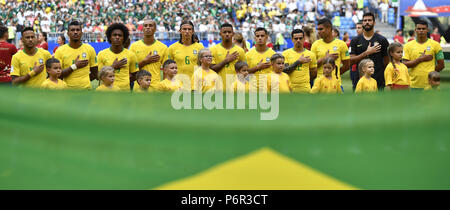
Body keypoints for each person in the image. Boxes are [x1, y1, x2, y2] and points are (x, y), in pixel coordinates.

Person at [349, 12, 389, 91]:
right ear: (362, 23)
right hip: (360, 79)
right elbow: (351, 61)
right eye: (365, 20)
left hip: (378, 80)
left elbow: (386, 61)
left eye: (369, 20)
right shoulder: (355, 40)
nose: (367, 22)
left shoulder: (382, 40)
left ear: (374, 23)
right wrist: (367, 53)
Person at [55, 21, 98, 90]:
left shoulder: (90, 49)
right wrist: (74, 66)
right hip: (67, 92)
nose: (75, 32)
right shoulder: (60, 51)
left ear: (82, 33)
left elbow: (94, 73)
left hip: (86, 91)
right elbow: (57, 75)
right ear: (68, 33)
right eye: (72, 30)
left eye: (78, 30)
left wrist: (84, 82)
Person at [403, 20, 445, 90]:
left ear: (427, 30)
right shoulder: (408, 45)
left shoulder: (436, 45)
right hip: (413, 85)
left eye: (423, 29)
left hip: (431, 86)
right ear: (415, 30)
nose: (421, 31)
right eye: (419, 29)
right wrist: (421, 59)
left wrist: (432, 74)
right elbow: (404, 64)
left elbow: (441, 65)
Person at [311, 18, 350, 91]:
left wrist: (336, 74)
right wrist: (325, 58)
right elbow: (312, 66)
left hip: (336, 84)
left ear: (329, 29)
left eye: (321, 29)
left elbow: (347, 65)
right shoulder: (315, 45)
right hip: (319, 85)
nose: (318, 32)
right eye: (318, 29)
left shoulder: (341, 44)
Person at [97, 23, 139, 91]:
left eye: (120, 35)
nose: (117, 37)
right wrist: (113, 67)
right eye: (114, 35)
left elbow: (135, 74)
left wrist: (125, 82)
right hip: (107, 92)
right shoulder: (102, 54)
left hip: (124, 92)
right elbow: (98, 75)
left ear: (124, 38)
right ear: (110, 37)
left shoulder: (131, 55)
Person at [129, 19, 168, 88]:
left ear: (155, 29)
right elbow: (130, 69)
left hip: (156, 88)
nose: (148, 27)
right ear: (142, 29)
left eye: (150, 26)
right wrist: (145, 61)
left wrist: (165, 86)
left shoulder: (163, 47)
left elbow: (166, 71)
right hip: (138, 89)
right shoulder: (134, 46)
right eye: (145, 26)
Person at [210, 23, 246, 90]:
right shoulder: (213, 49)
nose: (227, 34)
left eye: (229, 32)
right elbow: (211, 70)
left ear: (233, 34)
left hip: (236, 89)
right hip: (218, 89)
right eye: (224, 32)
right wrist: (226, 60)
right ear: (220, 34)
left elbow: (244, 71)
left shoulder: (240, 51)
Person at [282, 29, 317, 93]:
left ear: (304, 39)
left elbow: (314, 73)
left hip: (305, 89)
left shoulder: (311, 54)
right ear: (292, 39)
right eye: (296, 38)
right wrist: (298, 62)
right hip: (289, 89)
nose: (298, 40)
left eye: (300, 38)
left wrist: (304, 81)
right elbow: (285, 70)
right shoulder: (285, 53)